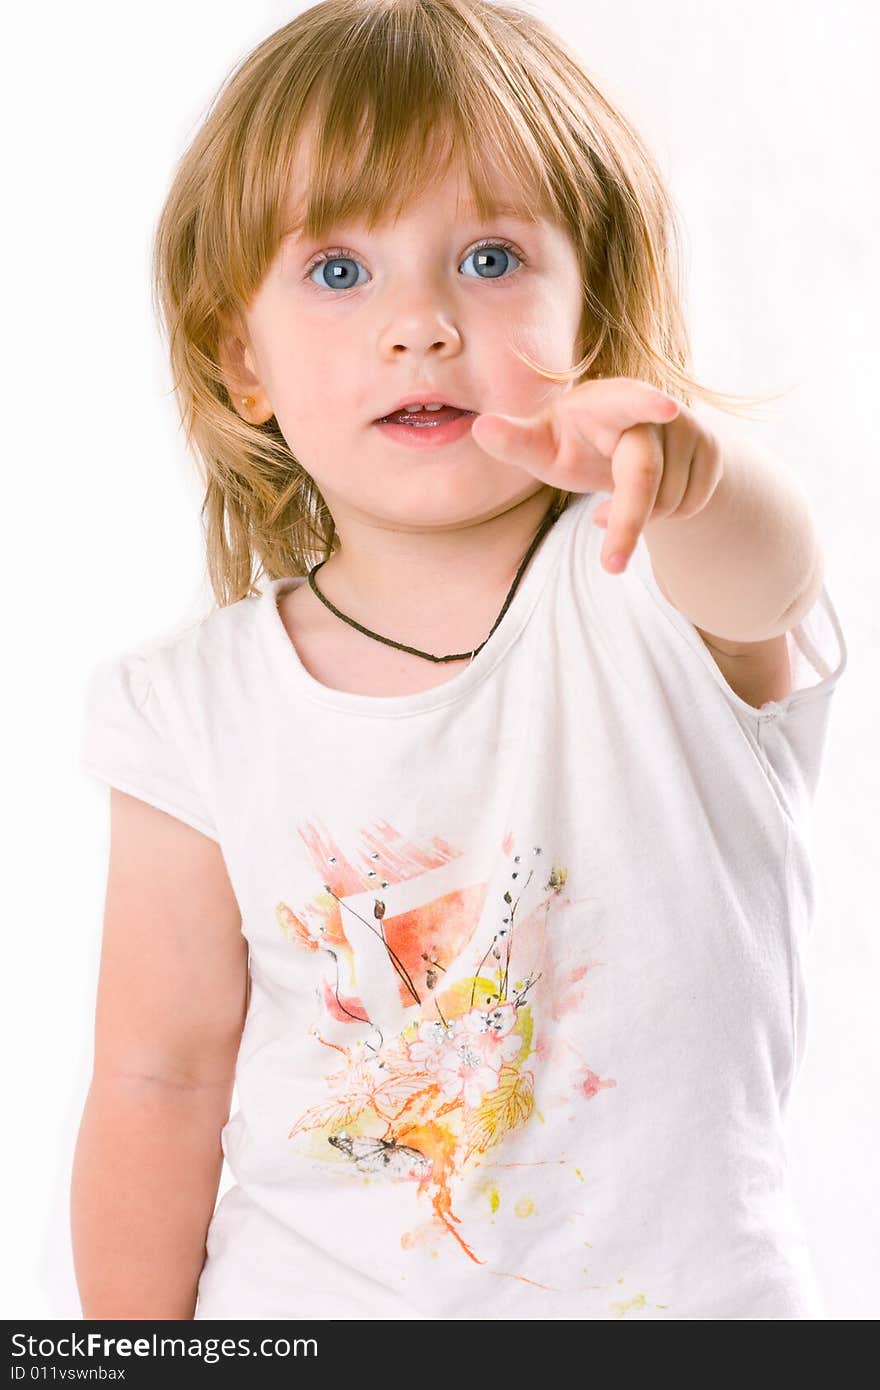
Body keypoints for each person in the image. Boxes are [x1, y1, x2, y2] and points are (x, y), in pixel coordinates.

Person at [71, 0, 848, 1321]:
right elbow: (158, 1078)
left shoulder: (651, 583)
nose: (420, 321)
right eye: (338, 272)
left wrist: (689, 473)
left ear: (593, 314)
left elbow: (772, 577)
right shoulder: (189, 709)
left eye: (490, 259)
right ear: (236, 355)